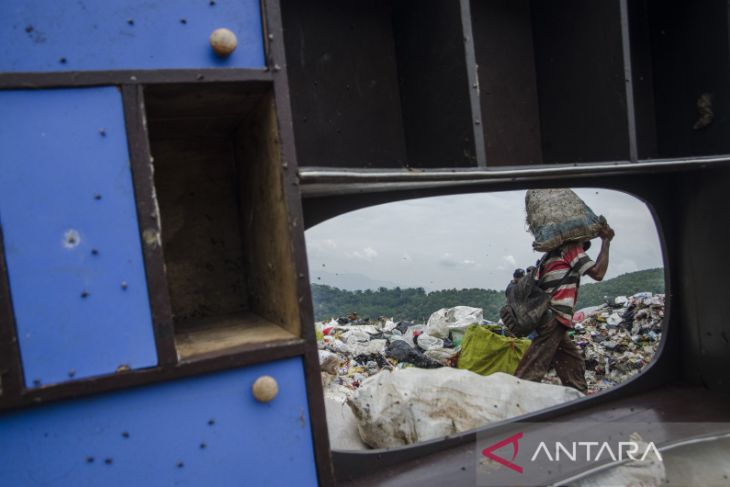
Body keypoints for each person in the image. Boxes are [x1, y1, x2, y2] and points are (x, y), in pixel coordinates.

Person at [514, 225, 615, 393]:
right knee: (531, 369)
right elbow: (598, 273)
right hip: (554, 317)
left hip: (550, 317)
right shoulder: (570, 249)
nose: (583, 249)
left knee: (572, 361)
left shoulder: (549, 255)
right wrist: (606, 241)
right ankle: (514, 401)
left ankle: (578, 395)